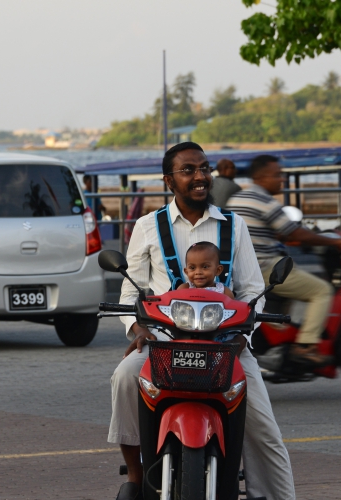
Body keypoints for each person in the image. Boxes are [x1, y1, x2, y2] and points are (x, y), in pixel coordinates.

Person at [110, 143, 295, 500]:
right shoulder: (148, 227)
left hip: (226, 347)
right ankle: (135, 476)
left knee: (265, 431)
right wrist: (138, 330)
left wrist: (242, 341)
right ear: (169, 180)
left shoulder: (233, 225)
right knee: (123, 376)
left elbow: (253, 290)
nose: (200, 177)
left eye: (204, 168)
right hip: (162, 345)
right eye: (189, 170)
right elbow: (129, 293)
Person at [226, 155, 341, 366]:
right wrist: (335, 242)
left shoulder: (237, 199)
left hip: (240, 270)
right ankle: (305, 346)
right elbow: (296, 233)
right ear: (260, 177)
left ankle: (281, 342)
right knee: (321, 290)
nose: (282, 180)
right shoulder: (265, 201)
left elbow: (277, 232)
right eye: (277, 175)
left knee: (292, 282)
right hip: (264, 268)